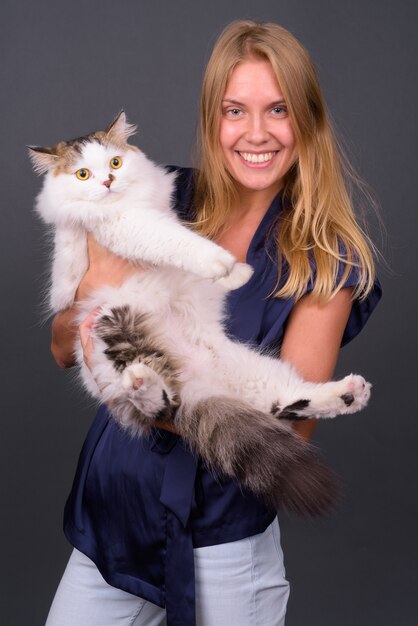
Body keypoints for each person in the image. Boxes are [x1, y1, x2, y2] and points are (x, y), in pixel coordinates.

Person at [45, 20, 381, 626]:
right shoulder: (162, 197)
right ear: (212, 118)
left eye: (277, 109)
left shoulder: (325, 260)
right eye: (235, 110)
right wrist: (91, 300)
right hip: (110, 523)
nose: (256, 133)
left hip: (220, 545)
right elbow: (62, 346)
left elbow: (291, 436)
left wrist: (165, 399)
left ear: (306, 120)